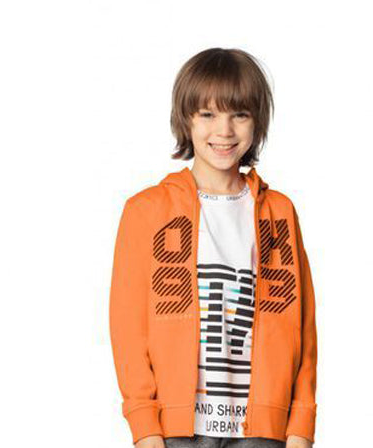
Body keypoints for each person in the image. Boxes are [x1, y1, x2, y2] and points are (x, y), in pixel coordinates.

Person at [109, 48, 318, 448]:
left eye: (239, 114)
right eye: (207, 114)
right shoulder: (146, 211)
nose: (224, 130)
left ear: (257, 120)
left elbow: (303, 328)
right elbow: (128, 328)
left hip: (263, 431)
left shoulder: (279, 212)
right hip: (177, 432)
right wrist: (145, 428)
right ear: (186, 118)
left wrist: (300, 426)